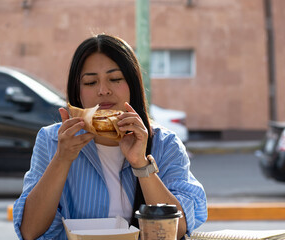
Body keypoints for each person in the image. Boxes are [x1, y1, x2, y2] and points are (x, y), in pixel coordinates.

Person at [13, 34, 207, 240]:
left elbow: (175, 231)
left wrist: (141, 164)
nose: (103, 91)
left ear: (132, 85)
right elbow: (30, 231)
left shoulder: (164, 143)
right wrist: (62, 158)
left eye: (115, 79)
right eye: (90, 82)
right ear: (77, 92)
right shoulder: (53, 141)